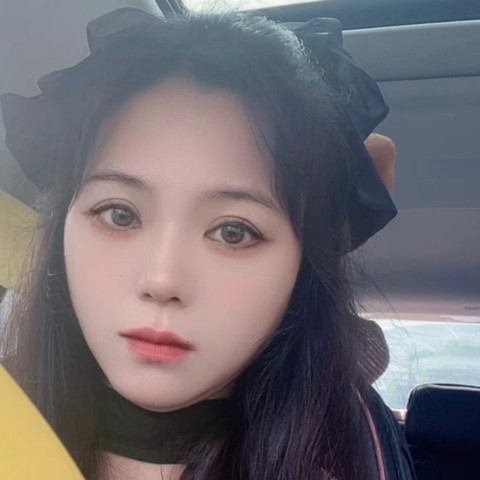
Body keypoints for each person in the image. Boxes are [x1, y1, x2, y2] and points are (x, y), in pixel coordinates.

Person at [0, 8, 414, 480]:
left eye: (233, 232)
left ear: (302, 266)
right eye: (119, 214)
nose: (161, 281)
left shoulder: (352, 454)